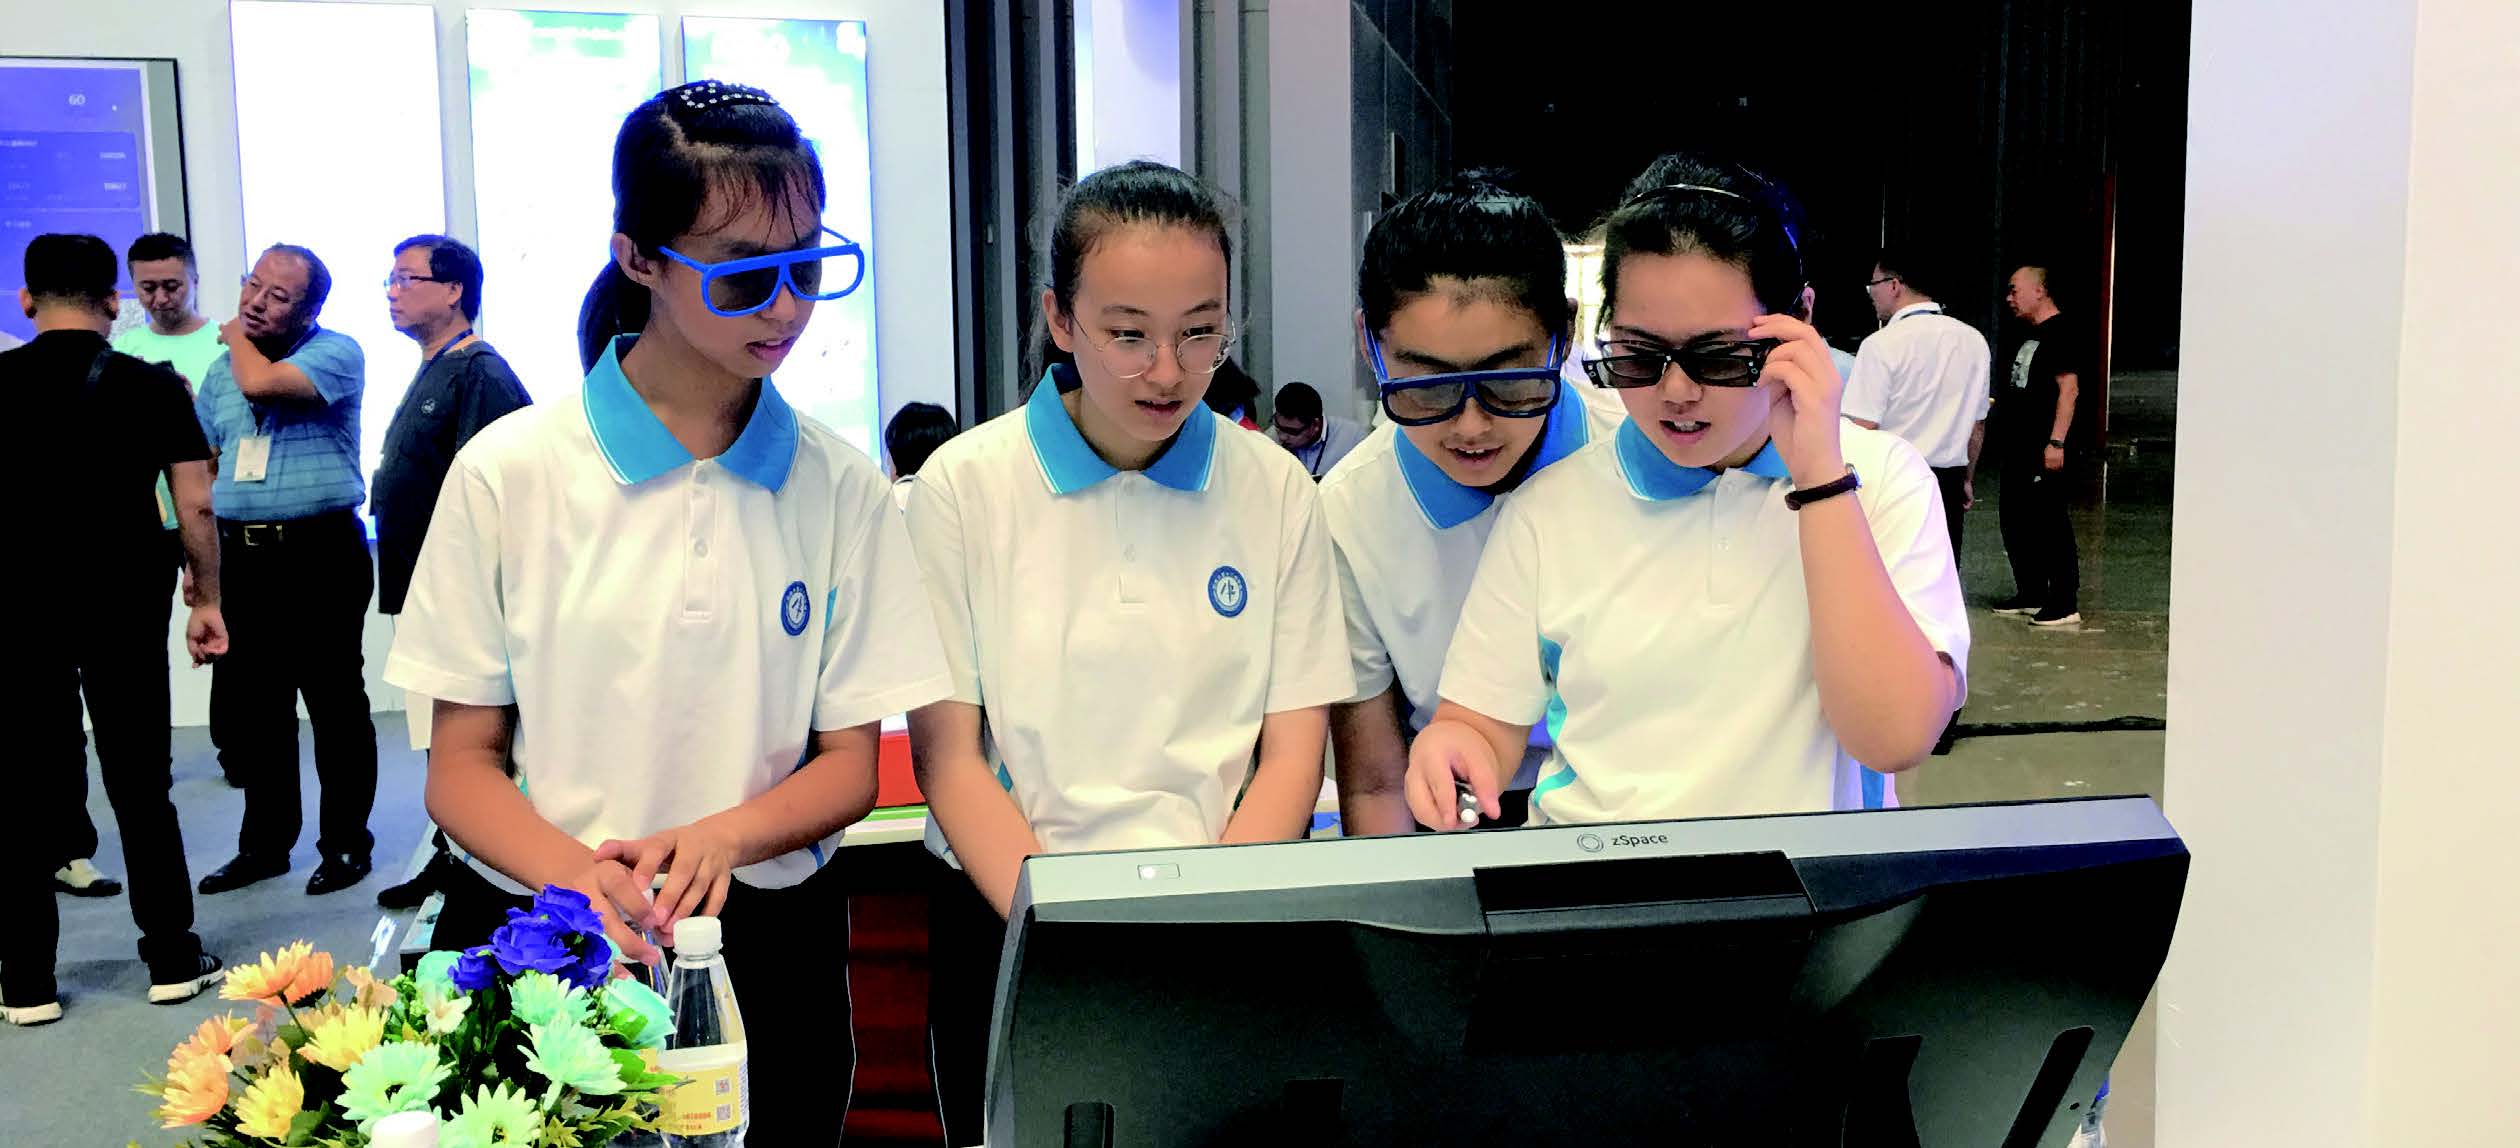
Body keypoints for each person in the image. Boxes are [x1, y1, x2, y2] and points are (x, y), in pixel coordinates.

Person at [385, 80, 952, 1145]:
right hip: (544, 929)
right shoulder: (512, 473)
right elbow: (460, 765)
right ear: (638, 257)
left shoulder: (838, 486)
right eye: (743, 275)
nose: (785, 308)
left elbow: (849, 765)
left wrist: (717, 839)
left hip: (766, 936)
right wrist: (582, 881)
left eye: (807, 267)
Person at [904, 160, 1352, 1145]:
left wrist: (1209, 920)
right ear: (1059, 319)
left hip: (1222, 922)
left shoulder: (1276, 490)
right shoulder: (963, 488)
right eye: (1128, 334)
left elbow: (1292, 751)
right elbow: (950, 759)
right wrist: (1061, 930)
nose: (1168, 370)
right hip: (1010, 918)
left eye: (1200, 331)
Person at [1401, 154, 1970, 832]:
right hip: (1595, 874)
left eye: (1720, 357)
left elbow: (1895, 737)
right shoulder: (1551, 511)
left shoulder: (1878, 482)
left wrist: (1821, 479)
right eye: (1640, 356)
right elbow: (1481, 722)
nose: (1676, 392)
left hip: (1806, 879)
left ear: (1799, 319)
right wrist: (1452, 748)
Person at [1320, 176, 1623, 838]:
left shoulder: (1634, 461)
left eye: (1510, 382)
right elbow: (1375, 780)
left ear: (1564, 334)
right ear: (1370, 343)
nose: (1472, 426)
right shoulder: (1349, 514)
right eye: (1427, 387)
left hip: (1628, 807)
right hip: (1454, 810)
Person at [1, 233, 230, 1026]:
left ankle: (26, 981)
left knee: (21, 787)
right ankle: (171, 958)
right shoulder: (152, 383)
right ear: (113, 301)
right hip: (123, 602)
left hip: (17, 608)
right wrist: (205, 597)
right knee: (141, 782)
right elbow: (196, 502)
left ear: (26, 301)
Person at [191, 243, 380, 898]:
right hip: (241, 556)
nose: (255, 302)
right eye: (253, 285)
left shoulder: (335, 352)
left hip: (319, 553)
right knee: (258, 709)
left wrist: (234, 336)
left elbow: (262, 385)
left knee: (334, 702)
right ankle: (265, 846)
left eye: (278, 296)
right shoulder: (220, 371)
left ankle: (346, 844)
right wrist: (200, 565)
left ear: (310, 310)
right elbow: (205, 464)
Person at [369, 233, 531, 912]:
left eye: (407, 279)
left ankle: (473, 858)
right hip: (423, 585)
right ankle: (450, 853)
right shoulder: (436, 366)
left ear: (454, 290)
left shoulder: (480, 374)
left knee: (465, 738)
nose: (392, 292)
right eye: (390, 279)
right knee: (436, 734)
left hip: (462, 595)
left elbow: (491, 494)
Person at [1848, 249, 1992, 556]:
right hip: (1949, 484)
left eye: (1873, 285)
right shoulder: (1974, 341)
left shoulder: (1880, 344)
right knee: (1942, 576)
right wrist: (1967, 480)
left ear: (1894, 285)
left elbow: (1862, 428)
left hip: (1893, 483)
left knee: (1890, 574)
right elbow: (1976, 426)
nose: (1871, 294)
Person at [1993, 263, 2090, 628]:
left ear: (2040, 291)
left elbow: (2069, 389)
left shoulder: (2062, 332)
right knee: (2015, 518)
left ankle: (2064, 601)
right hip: (2019, 446)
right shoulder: (2030, 335)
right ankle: (2031, 591)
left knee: (2049, 521)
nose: (2009, 297)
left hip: (2044, 445)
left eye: (2015, 289)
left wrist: (2056, 441)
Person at [1269, 381, 1369, 478]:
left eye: (1291, 432)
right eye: (1278, 426)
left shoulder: (1353, 438)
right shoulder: (1271, 439)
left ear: (1315, 425)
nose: (1282, 437)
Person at [882, 399, 958, 508]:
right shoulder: (960, 499)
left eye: (889, 452)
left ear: (898, 455)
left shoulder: (890, 503)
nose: (887, 462)